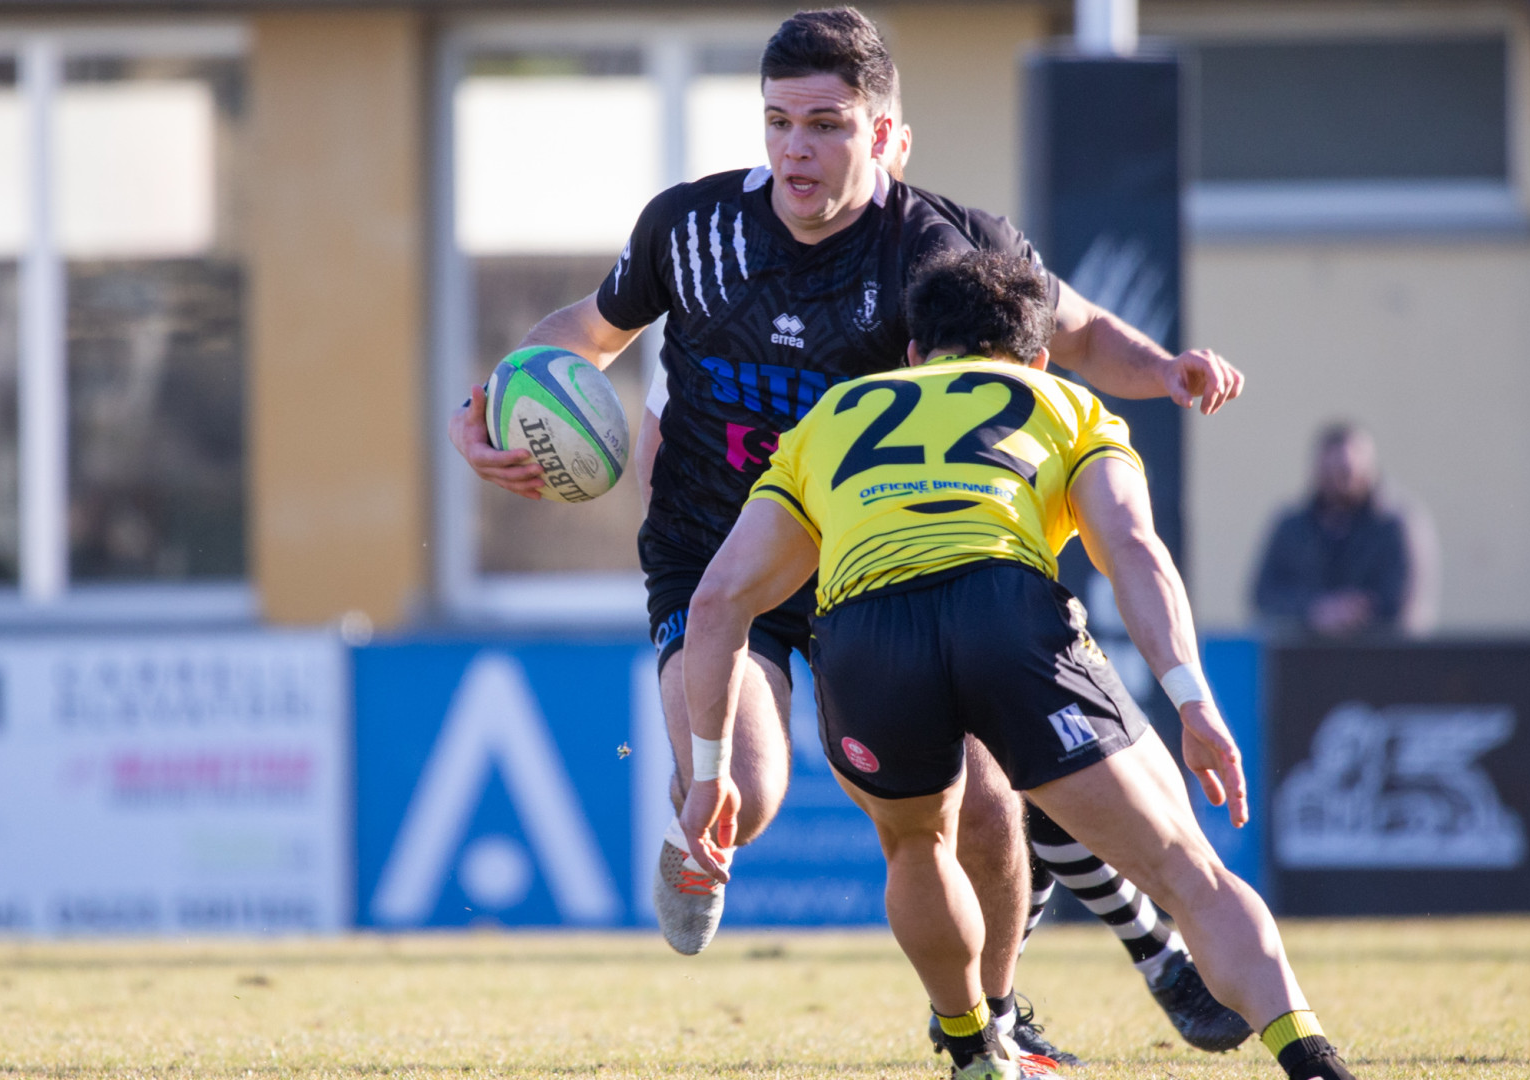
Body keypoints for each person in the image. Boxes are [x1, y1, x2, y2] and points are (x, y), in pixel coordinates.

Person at [447, 8, 1246, 1062]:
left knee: (989, 813)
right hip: (716, 553)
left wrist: (1168, 371)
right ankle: (705, 816)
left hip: (884, 564)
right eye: (778, 121)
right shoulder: (690, 230)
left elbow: (1079, 329)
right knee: (755, 792)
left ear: (887, 139)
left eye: (825, 124)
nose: (794, 149)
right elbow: (590, 335)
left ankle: (987, 1024)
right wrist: (496, 405)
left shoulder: (941, 249)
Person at [678, 250, 1360, 1080]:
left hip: (863, 633)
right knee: (1188, 874)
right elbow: (1134, 552)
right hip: (1004, 612)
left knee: (917, 845)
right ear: (1035, 358)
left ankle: (972, 1051)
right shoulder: (1068, 402)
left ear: (914, 356)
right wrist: (1191, 699)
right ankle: (1316, 1064)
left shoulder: (831, 416)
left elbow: (717, 604)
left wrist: (712, 772)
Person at [1250, 422, 1438, 637]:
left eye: (1345, 472)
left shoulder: (1397, 525)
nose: (1337, 483)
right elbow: (1263, 596)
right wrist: (1314, 610)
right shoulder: (1292, 527)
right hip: (1306, 659)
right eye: (1328, 472)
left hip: (1383, 661)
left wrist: (1353, 612)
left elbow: (1406, 604)